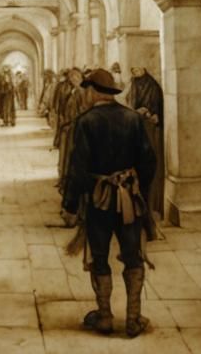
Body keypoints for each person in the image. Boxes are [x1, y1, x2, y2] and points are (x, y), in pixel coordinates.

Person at [62, 68, 156, 338]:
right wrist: (139, 191)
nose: (84, 96)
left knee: (99, 256)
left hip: (98, 201)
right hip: (129, 200)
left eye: (86, 91)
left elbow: (77, 168)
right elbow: (149, 161)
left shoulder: (86, 121)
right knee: (132, 256)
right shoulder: (133, 118)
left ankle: (104, 316)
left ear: (92, 91)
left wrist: (69, 205)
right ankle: (133, 319)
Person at [127, 66, 165, 219]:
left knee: (151, 166)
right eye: (133, 70)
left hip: (150, 130)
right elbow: (129, 104)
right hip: (137, 129)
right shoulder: (133, 85)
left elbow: (158, 113)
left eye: (137, 70)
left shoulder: (153, 86)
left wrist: (149, 113)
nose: (135, 73)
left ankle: (152, 207)